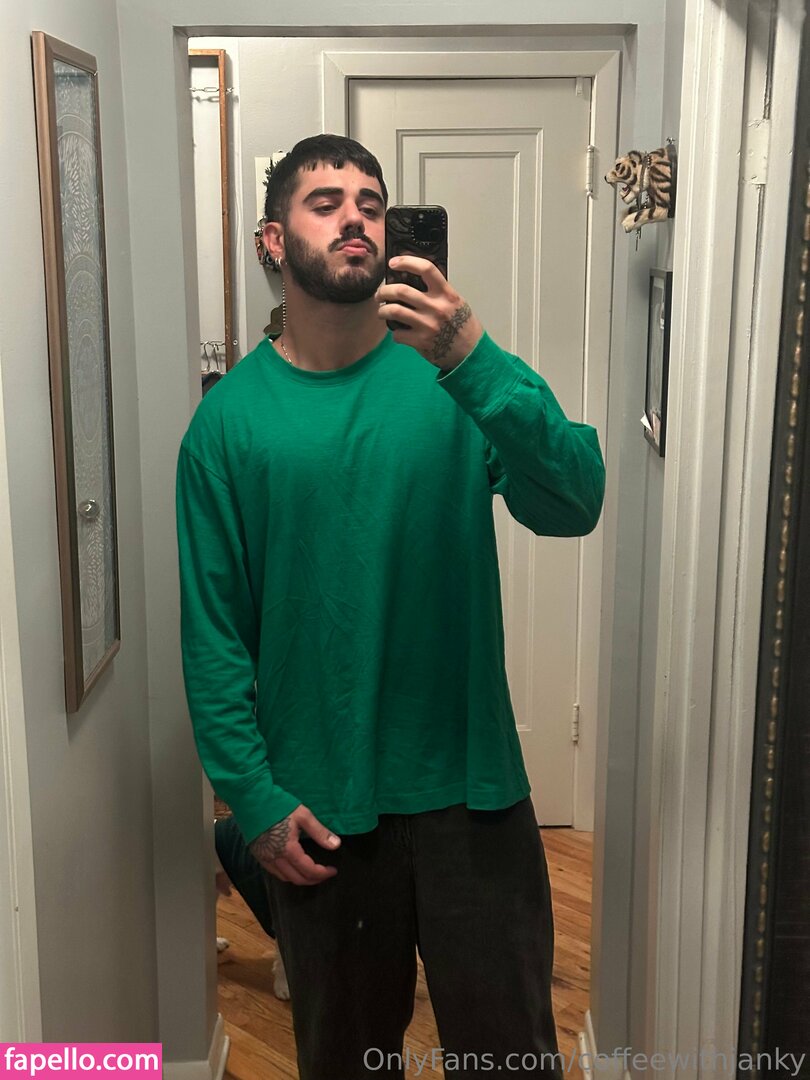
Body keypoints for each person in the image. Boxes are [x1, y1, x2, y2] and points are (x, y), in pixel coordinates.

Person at [177, 133, 605, 1080]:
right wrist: (253, 797)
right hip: (320, 809)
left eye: (370, 204)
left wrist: (473, 357)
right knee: (346, 1061)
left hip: (473, 794)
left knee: (510, 1059)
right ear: (273, 241)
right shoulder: (226, 426)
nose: (355, 219)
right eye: (325, 202)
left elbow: (576, 498)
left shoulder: (455, 377)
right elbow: (213, 635)